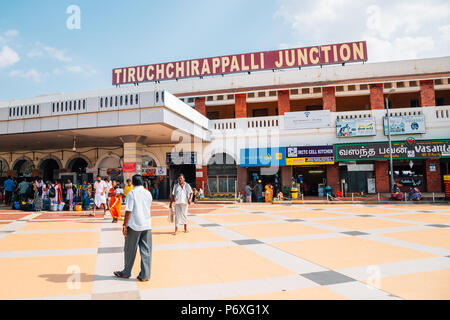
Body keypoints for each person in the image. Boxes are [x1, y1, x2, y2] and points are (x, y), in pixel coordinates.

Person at [114, 174, 153, 282]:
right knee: (146, 250)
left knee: (130, 250)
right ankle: (145, 275)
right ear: (143, 183)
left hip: (134, 226)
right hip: (147, 225)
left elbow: (128, 211)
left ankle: (126, 272)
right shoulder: (148, 193)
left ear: (133, 183)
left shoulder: (132, 193)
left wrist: (124, 225)